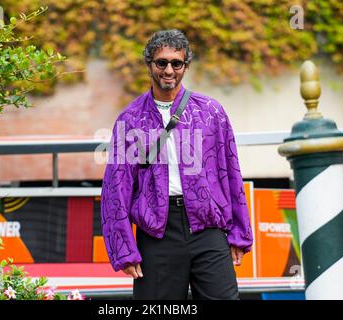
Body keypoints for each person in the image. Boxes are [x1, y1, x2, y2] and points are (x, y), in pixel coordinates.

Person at [101, 29, 253, 300]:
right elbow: (116, 188)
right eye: (161, 62)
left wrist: (239, 234)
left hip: (208, 227)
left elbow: (231, 172)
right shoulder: (130, 119)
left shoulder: (211, 112)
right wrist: (123, 249)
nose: (168, 70)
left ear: (186, 65)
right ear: (149, 64)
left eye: (176, 63)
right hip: (157, 234)